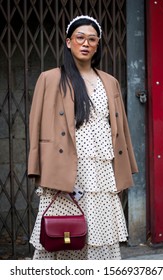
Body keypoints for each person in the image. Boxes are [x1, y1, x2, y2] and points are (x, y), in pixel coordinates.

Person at [28, 15, 138, 260]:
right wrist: (38, 169)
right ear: (68, 42)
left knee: (100, 235)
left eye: (92, 39)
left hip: (101, 168)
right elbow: (35, 125)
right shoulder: (50, 78)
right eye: (80, 38)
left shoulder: (110, 82)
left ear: (97, 45)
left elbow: (121, 129)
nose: (86, 43)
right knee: (62, 234)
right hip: (66, 167)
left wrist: (124, 166)